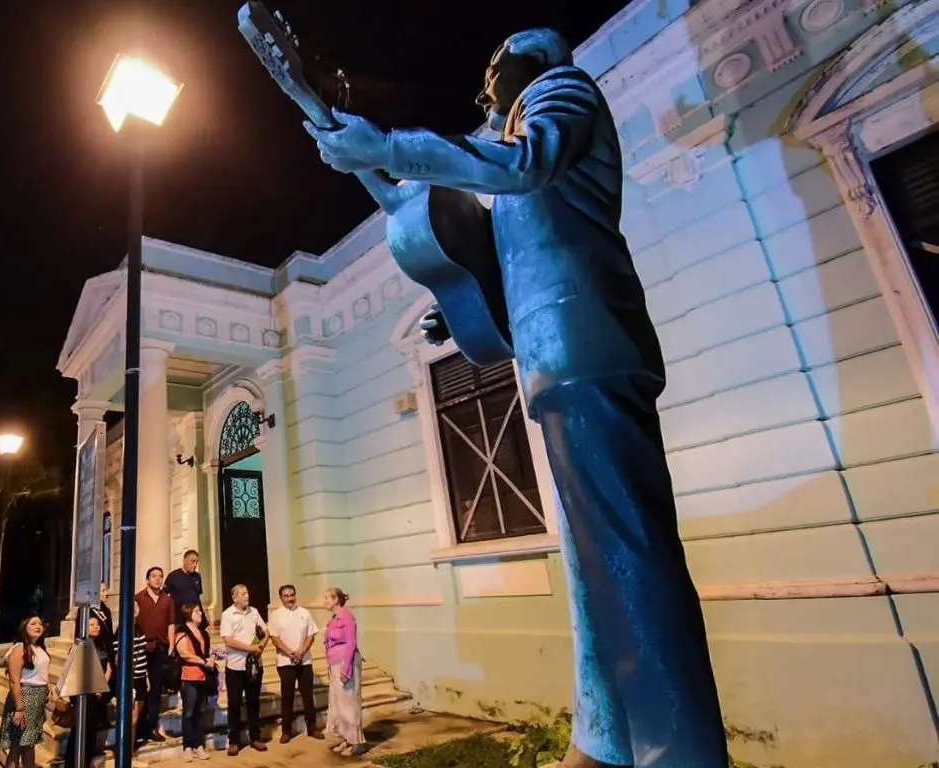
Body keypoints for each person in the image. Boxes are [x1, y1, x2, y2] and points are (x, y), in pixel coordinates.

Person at [303, 28, 726, 768]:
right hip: (557, 353)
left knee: (629, 560)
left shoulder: (558, 93)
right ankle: (605, 741)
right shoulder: (524, 130)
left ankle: (677, 752)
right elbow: (507, 258)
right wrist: (458, 301)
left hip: (586, 343)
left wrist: (391, 149)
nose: (484, 91)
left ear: (528, 59)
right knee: (597, 569)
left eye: (491, 71)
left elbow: (526, 166)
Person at [0, 616, 55, 767]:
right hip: (24, 697)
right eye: (33, 623)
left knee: (29, 744)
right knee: (16, 746)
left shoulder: (40, 648)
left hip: (37, 698)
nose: (38, 626)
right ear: (24, 628)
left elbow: (42, 674)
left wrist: (48, 689)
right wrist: (19, 708)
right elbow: (14, 680)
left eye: (40, 624)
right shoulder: (19, 648)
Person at [269, 584, 323, 743]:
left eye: (292, 595)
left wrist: (301, 652)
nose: (290, 598)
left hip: (304, 660)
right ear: (281, 598)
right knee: (287, 697)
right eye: (286, 596)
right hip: (285, 662)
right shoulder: (276, 615)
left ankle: (312, 728)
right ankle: (286, 731)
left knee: (308, 695)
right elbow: (274, 637)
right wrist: (289, 652)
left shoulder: (304, 613)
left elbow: (311, 635)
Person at [219, 584, 268, 755]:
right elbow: (228, 640)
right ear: (234, 597)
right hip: (235, 667)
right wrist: (250, 648)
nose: (247, 596)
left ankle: (255, 737)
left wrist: (261, 645)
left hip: (253, 665)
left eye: (247, 592)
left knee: (253, 702)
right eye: (243, 593)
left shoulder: (254, 612)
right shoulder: (227, 614)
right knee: (234, 705)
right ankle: (234, 741)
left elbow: (266, 631)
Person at [61, 616, 111, 768]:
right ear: (83, 627)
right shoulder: (79, 646)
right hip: (83, 694)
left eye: (97, 624)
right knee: (78, 732)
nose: (96, 627)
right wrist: (94, 686)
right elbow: (73, 671)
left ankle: (86, 763)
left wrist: (101, 684)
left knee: (91, 734)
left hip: (98, 694)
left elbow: (108, 668)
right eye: (91, 624)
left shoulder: (101, 646)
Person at [134, 566, 176, 745]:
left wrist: (172, 645)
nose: (158, 579)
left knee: (156, 690)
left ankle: (151, 726)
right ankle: (137, 728)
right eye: (154, 576)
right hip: (141, 648)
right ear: (147, 579)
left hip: (160, 648)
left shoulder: (167, 600)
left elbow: (171, 624)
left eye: (160, 576)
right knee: (141, 690)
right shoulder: (138, 598)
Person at [322, 588, 364, 757]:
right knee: (339, 704)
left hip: (347, 663)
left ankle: (357, 742)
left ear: (336, 600)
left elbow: (351, 643)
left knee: (349, 702)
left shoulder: (347, 617)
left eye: (327, 598)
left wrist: (346, 668)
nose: (324, 601)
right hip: (335, 663)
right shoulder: (334, 619)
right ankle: (347, 738)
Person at [175, 603, 217, 761]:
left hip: (203, 677)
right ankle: (187, 746)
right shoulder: (182, 632)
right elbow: (184, 654)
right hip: (189, 677)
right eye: (197, 611)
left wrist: (211, 658)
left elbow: (209, 651)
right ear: (188, 614)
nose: (200, 613)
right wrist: (202, 661)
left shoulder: (203, 633)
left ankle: (198, 744)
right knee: (189, 712)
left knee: (200, 712)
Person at [112, 616, 150, 754]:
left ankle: (130, 750)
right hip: (129, 679)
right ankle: (123, 750)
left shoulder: (139, 628)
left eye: (137, 607)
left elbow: (143, 654)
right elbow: (117, 657)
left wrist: (146, 676)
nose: (135, 609)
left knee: (135, 718)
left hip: (140, 677)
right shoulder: (121, 630)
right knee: (129, 718)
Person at [165, 549, 207, 632]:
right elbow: (164, 596)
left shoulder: (197, 576)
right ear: (184, 560)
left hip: (195, 618)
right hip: (180, 619)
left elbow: (197, 597)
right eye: (192, 561)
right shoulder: (173, 576)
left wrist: (203, 616)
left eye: (196, 562)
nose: (195, 565)